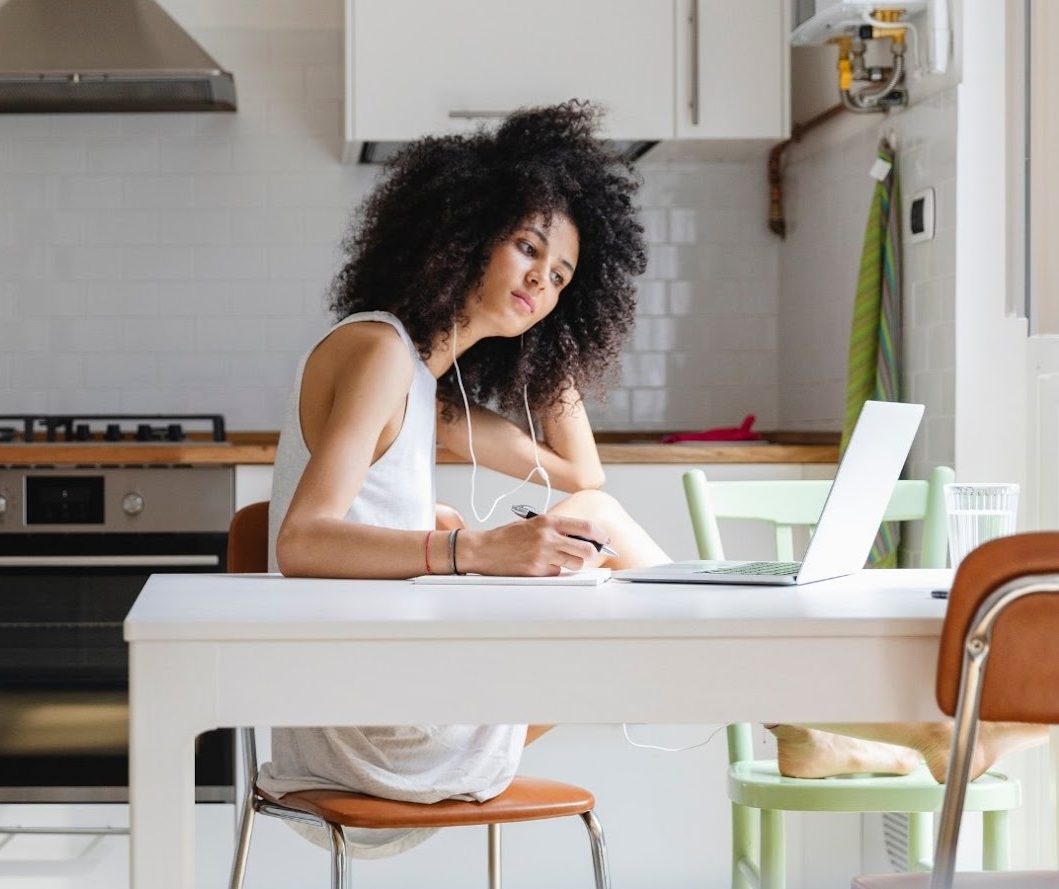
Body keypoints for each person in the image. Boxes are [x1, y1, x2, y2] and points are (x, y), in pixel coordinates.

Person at [255, 100, 1045, 857]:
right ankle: (864, 727)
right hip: (380, 735)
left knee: (623, 576)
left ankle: (820, 724)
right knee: (646, 618)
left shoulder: (426, 390)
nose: (542, 282)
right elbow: (298, 539)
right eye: (528, 248)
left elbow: (578, 469)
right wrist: (475, 551)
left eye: (564, 277)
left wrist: (550, 336)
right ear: (462, 231)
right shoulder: (381, 355)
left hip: (378, 708)